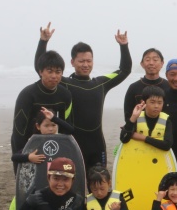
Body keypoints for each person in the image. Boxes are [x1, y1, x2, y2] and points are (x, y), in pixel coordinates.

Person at [34, 23, 132, 171]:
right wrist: (43, 42)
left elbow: (124, 70)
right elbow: (41, 68)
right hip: (72, 144)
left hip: (97, 145)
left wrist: (124, 46)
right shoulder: (64, 83)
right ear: (72, 62)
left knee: (99, 188)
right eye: (81, 61)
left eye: (89, 61)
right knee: (72, 185)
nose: (85, 64)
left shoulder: (100, 84)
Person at [7, 107, 74, 210]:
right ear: (38, 126)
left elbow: (71, 130)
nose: (50, 129)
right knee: (16, 209)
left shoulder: (63, 141)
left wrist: (56, 118)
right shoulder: (33, 142)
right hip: (36, 186)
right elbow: (14, 157)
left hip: (56, 187)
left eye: (53, 125)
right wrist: (28, 157)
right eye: (46, 125)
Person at [12, 50, 73, 173]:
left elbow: (67, 128)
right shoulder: (27, 94)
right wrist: (24, 154)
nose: (54, 76)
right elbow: (19, 130)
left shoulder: (65, 95)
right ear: (40, 72)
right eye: (49, 71)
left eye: (58, 72)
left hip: (52, 143)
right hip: (27, 144)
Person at [120, 86, 173, 151]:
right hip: (137, 158)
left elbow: (167, 145)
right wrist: (133, 118)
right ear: (144, 102)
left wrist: (143, 137)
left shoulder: (166, 120)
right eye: (152, 102)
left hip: (158, 159)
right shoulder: (136, 118)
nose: (156, 106)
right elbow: (124, 139)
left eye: (159, 103)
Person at [124, 48, 169, 122]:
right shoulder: (133, 87)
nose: (151, 63)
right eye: (147, 60)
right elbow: (128, 117)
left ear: (162, 63)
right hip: (139, 130)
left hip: (165, 129)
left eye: (155, 60)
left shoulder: (168, 86)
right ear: (142, 64)